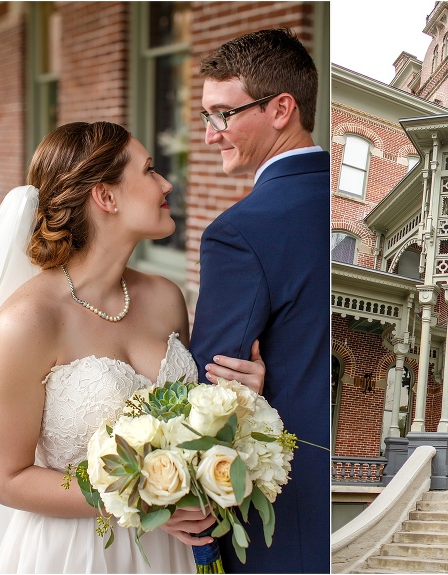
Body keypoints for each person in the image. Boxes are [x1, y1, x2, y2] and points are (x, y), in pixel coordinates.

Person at [0, 121, 266, 573]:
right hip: (77, 552)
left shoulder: (166, 298)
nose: (166, 183)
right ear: (106, 196)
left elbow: (191, 424)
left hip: (171, 552)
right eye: (150, 171)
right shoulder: (27, 322)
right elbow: (7, 479)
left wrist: (239, 400)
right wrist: (145, 499)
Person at [190, 28, 330, 573]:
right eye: (207, 117)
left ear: (281, 109)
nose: (209, 136)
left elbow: (209, 397)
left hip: (285, 528)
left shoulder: (239, 232)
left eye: (223, 115)